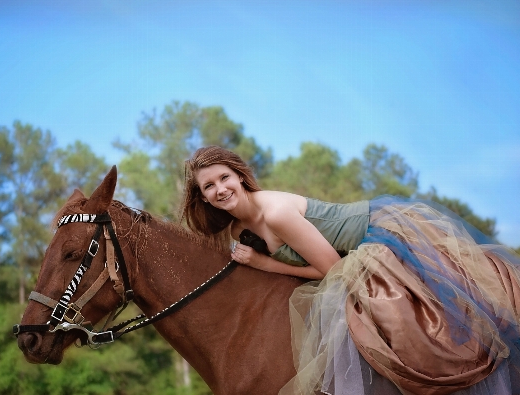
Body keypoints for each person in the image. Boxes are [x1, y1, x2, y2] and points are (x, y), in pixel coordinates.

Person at [180, 145, 520, 395]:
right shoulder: (239, 231)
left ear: (240, 176)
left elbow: (335, 267)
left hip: (374, 240)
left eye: (224, 177)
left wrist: (264, 263)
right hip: (344, 263)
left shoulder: (276, 213)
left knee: (413, 333)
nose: (220, 189)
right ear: (205, 199)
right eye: (209, 186)